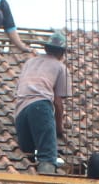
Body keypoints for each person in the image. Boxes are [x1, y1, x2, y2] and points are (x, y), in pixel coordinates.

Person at [14, 30, 72, 176]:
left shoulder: (30, 62)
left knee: (27, 158)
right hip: (40, 106)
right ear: (62, 53)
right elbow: (58, 103)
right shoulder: (60, 67)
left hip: (20, 111)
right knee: (47, 156)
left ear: (46, 49)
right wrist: (58, 128)